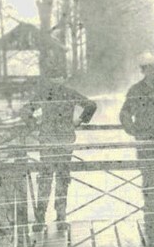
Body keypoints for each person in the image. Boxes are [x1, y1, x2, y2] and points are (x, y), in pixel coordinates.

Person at [21, 67, 98, 230]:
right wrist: (79, 121)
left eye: (59, 77)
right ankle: (51, 218)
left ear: (63, 78)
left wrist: (79, 120)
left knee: (53, 177)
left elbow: (91, 105)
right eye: (54, 77)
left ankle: (51, 218)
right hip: (56, 140)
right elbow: (26, 109)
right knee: (52, 177)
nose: (56, 81)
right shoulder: (62, 93)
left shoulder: (53, 93)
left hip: (55, 140)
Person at [119, 52, 154, 241]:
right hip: (145, 140)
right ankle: (150, 215)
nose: (152, 72)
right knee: (147, 175)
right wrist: (134, 131)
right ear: (143, 70)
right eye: (148, 68)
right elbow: (125, 113)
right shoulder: (135, 90)